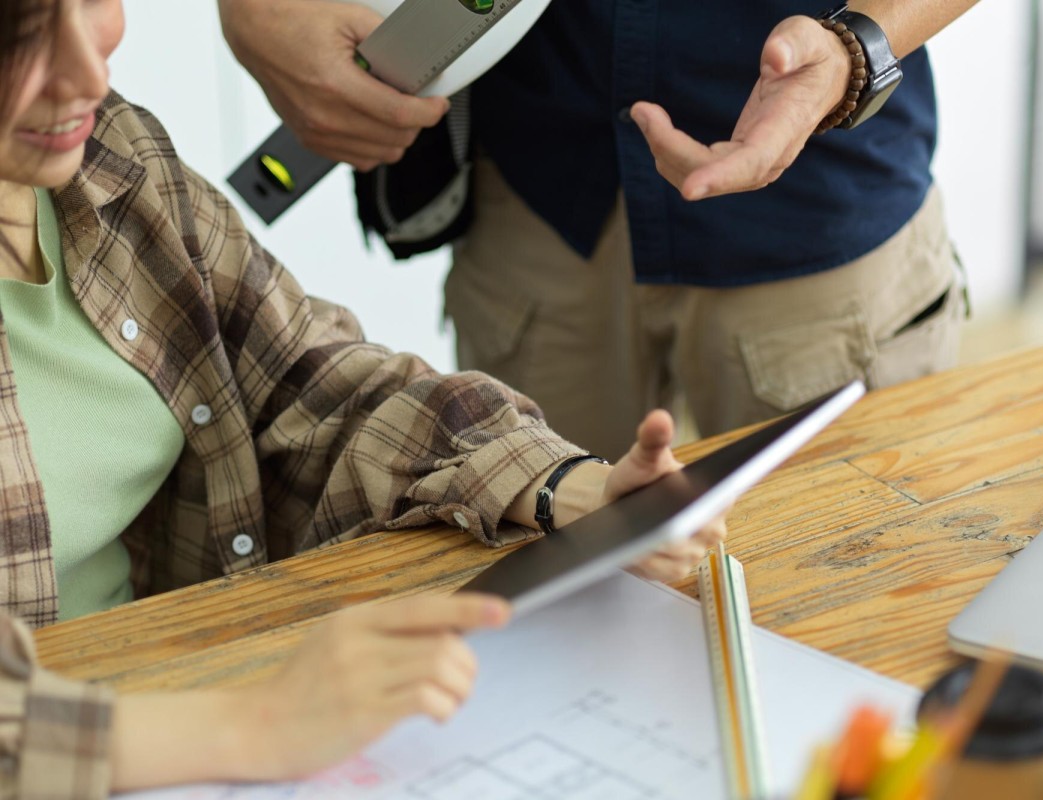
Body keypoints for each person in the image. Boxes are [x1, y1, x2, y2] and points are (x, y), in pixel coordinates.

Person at [0, 0, 726, 796]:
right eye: (19, 33)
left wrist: (565, 488)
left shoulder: (114, 156)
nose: (89, 72)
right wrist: (257, 726)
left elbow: (308, 380)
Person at [220, 0, 978, 459]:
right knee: (543, 603)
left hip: (821, 197)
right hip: (533, 182)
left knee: (841, 606)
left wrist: (855, 50)